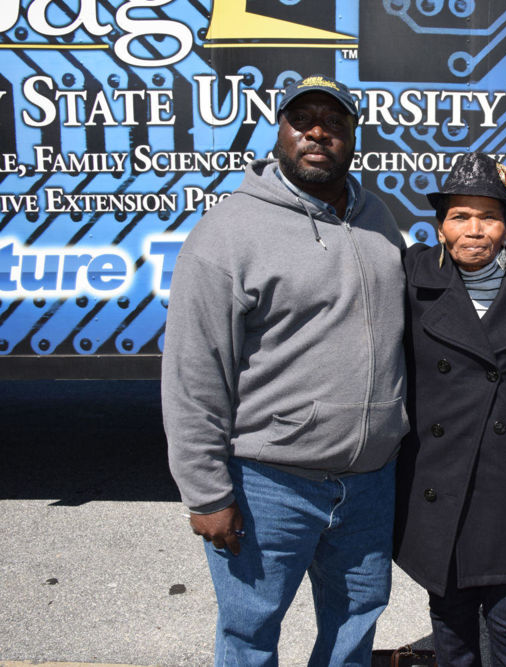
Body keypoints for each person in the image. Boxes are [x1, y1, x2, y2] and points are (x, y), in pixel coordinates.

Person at [161, 74, 408, 667]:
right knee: (250, 632)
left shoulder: (379, 221)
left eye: (334, 120)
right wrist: (206, 493)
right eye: (303, 120)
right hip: (270, 485)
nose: (318, 132)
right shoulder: (229, 232)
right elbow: (194, 372)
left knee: (355, 624)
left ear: (353, 134)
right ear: (281, 132)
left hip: (369, 480)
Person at [394, 152, 506, 667]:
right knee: (451, 633)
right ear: (439, 226)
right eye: (460, 215)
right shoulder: (411, 277)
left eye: (490, 215)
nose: (475, 229)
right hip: (441, 484)